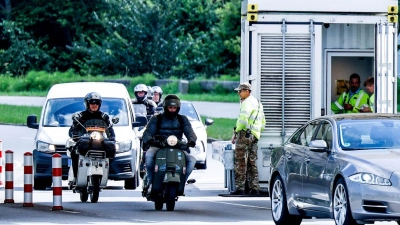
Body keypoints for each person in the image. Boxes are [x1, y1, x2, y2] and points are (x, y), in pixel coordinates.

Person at [142, 94, 197, 192]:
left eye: (174, 108)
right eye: (170, 107)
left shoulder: (182, 119)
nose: (172, 110)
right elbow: (148, 132)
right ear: (165, 107)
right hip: (158, 146)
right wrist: (150, 140)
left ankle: (182, 181)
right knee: (149, 156)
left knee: (191, 160)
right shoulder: (156, 118)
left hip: (177, 146)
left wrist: (192, 140)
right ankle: (151, 181)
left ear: (178, 108)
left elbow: (190, 131)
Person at [68, 92, 116, 182]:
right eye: (92, 103)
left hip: (99, 141)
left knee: (112, 149)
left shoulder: (104, 117)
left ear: (99, 104)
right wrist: (75, 134)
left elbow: (110, 129)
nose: (94, 105)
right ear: (87, 104)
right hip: (85, 140)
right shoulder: (81, 116)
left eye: (96, 103)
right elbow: (73, 129)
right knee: (74, 152)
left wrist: (112, 137)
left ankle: (106, 172)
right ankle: (75, 176)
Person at [231, 82, 265, 195]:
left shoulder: (246, 103)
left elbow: (243, 119)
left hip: (244, 134)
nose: (238, 94)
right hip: (255, 135)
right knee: (252, 162)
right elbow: (263, 122)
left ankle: (240, 188)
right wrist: (256, 133)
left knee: (240, 161)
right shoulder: (258, 103)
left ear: (247, 91)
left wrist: (236, 132)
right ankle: (254, 188)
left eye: (240, 91)